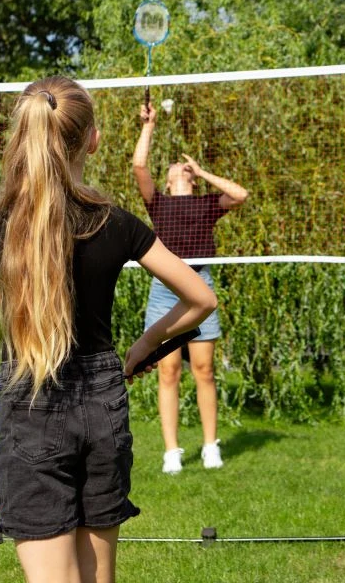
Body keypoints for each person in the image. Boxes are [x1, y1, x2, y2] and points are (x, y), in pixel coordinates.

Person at [0, 77, 216, 583]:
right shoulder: (117, 223)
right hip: (104, 403)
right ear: (92, 140)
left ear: (23, 136)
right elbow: (201, 299)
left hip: (31, 402)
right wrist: (146, 344)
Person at [132, 101, 248, 474]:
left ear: (192, 179)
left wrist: (202, 171)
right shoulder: (158, 203)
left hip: (200, 285)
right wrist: (148, 125)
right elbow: (139, 166)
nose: (179, 168)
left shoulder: (207, 204)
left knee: (204, 369)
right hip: (164, 291)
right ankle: (172, 452)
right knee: (167, 372)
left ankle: (210, 447)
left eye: (185, 169)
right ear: (167, 182)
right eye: (175, 168)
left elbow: (241, 195)